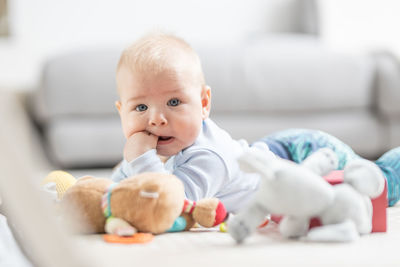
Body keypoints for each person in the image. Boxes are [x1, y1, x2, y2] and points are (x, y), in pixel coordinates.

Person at [111, 32, 400, 212]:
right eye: (140, 107)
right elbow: (124, 186)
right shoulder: (150, 151)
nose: (156, 119)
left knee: (376, 186)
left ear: (203, 104)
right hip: (273, 151)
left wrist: (140, 160)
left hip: (304, 157)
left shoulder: (207, 157)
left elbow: (172, 203)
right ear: (121, 111)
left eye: (174, 102)